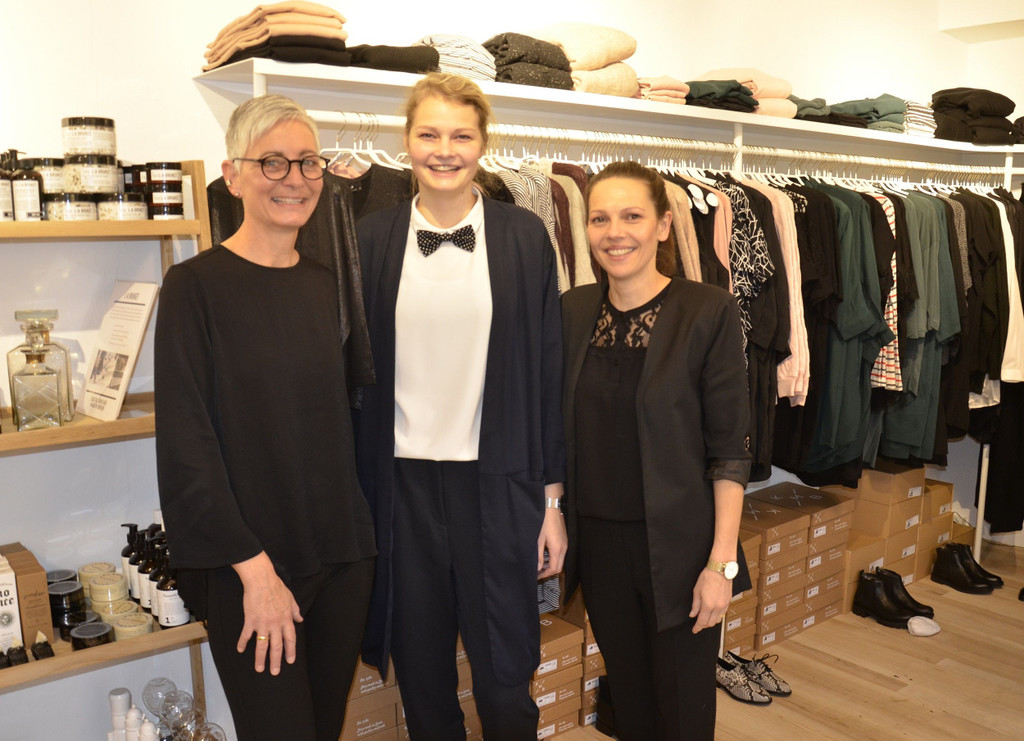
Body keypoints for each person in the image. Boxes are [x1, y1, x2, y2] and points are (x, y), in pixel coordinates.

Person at [154, 94, 376, 741]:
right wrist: (256, 573)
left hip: (340, 556)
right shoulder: (194, 287)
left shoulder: (325, 283)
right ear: (233, 175)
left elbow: (333, 423)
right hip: (247, 566)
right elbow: (188, 449)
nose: (294, 179)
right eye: (272, 162)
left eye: (308, 162)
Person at [355, 72, 567, 740]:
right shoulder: (370, 239)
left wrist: (553, 504)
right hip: (402, 491)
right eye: (429, 134)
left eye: (460, 136)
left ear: (482, 144)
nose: (444, 150)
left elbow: (549, 376)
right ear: (406, 142)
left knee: (506, 677)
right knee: (423, 679)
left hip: (497, 485)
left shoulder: (523, 236)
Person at [560, 161, 752, 740]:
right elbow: (553, 428)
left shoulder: (707, 310)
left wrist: (720, 565)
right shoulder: (572, 311)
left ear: (664, 225)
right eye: (600, 219)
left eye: (632, 216)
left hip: (680, 547)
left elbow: (729, 451)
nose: (614, 232)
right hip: (599, 543)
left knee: (683, 705)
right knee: (630, 699)